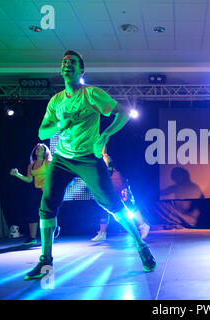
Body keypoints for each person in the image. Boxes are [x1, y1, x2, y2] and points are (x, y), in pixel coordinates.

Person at [24, 50, 156, 280]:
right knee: (47, 206)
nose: (67, 65)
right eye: (64, 62)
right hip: (62, 159)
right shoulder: (56, 101)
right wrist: (60, 124)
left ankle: (141, 246)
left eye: (72, 63)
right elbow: (41, 131)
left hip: (88, 158)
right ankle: (45, 261)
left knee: (111, 204)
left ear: (81, 70)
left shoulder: (92, 94)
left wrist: (105, 134)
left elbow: (122, 113)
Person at [91, 151, 150, 241]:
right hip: (110, 184)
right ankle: (102, 233)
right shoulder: (104, 166)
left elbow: (108, 167)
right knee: (105, 207)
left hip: (116, 184)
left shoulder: (110, 167)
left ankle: (143, 225)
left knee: (127, 204)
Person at [10, 143, 59, 245]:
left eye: (41, 149)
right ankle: (32, 238)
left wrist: (48, 186)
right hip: (36, 191)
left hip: (47, 191)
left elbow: (55, 175)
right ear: (35, 151)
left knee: (48, 213)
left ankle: (52, 232)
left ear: (45, 152)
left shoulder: (48, 162)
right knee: (32, 213)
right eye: (37, 149)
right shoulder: (31, 165)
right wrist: (17, 174)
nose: (39, 150)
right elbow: (29, 179)